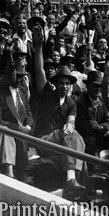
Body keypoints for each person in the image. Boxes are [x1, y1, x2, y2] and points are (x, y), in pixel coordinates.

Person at [32, 24, 86, 196]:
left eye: (67, 83)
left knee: (76, 136)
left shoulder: (71, 102)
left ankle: (73, 184)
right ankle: (72, 179)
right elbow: (39, 70)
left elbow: (71, 122)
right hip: (43, 140)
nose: (64, 86)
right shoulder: (48, 93)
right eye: (61, 83)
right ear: (56, 83)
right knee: (73, 137)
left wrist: (68, 128)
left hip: (61, 140)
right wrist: (39, 46)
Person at [0, 62, 33, 180]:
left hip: (25, 128)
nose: (19, 80)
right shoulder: (2, 92)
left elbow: (28, 111)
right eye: (16, 76)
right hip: (11, 129)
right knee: (19, 136)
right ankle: (22, 172)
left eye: (21, 77)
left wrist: (29, 125)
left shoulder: (22, 90)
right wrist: (18, 128)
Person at [75, 70, 109, 158]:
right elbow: (83, 126)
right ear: (87, 86)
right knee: (91, 141)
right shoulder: (80, 102)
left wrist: (101, 127)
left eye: (99, 86)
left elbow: (108, 121)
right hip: (84, 137)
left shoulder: (101, 101)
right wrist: (97, 128)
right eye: (94, 86)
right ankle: (91, 167)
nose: (97, 89)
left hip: (99, 133)